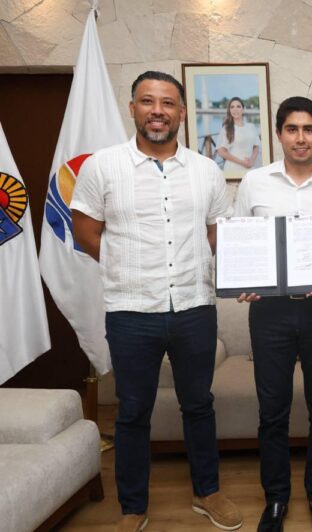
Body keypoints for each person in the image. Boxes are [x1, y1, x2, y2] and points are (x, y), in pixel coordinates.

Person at [71, 71, 242, 532]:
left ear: (181, 113)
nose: (158, 111)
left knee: (199, 404)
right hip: (130, 311)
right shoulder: (103, 166)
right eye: (148, 101)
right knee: (132, 411)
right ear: (133, 109)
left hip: (194, 307)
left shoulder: (206, 170)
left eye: (168, 103)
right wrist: (127, 266)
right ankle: (133, 507)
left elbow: (215, 234)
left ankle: (207, 492)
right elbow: (86, 231)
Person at [233, 96, 312, 532]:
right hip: (269, 313)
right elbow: (242, 239)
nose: (300, 138)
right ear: (279, 134)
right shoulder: (254, 182)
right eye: (292, 129)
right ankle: (276, 498)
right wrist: (244, 277)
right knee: (273, 410)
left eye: (309, 129)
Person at [216, 96, 261, 179]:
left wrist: (252, 161)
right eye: (232, 107)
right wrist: (241, 162)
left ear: (243, 109)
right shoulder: (226, 128)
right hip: (233, 169)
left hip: (250, 168)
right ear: (229, 110)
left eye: (238, 106)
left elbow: (256, 146)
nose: (235, 109)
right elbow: (221, 151)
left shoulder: (251, 126)